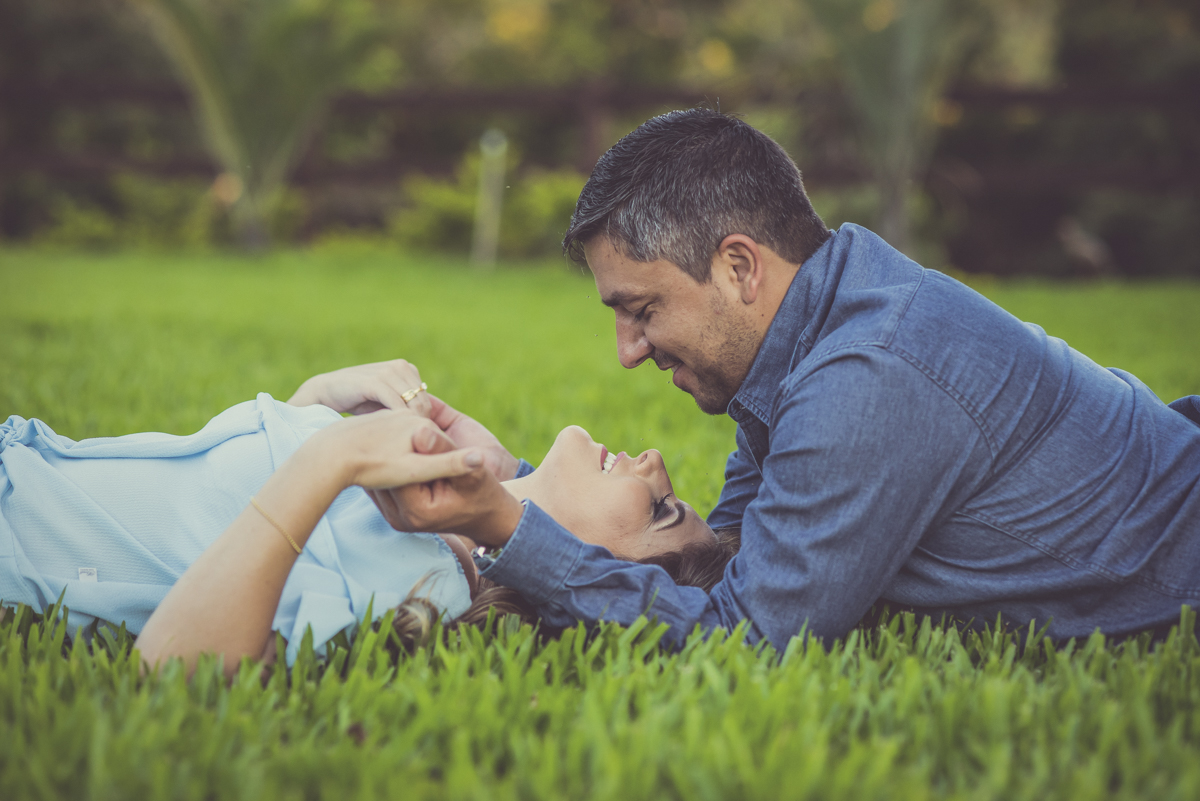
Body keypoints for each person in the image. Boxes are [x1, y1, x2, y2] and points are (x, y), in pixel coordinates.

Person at [400, 108, 1200, 649]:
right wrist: (514, 477)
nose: (628, 350)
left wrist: (514, 529)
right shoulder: (812, 329)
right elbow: (734, 555)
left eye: (641, 308)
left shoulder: (865, 376)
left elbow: (743, 638)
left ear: (739, 265)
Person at [0, 360, 724, 676]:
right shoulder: (430, 528)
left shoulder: (422, 585)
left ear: (588, 576)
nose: (655, 459)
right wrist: (315, 401)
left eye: (660, 510)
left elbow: (174, 669)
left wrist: (330, 458)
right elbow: (206, 519)